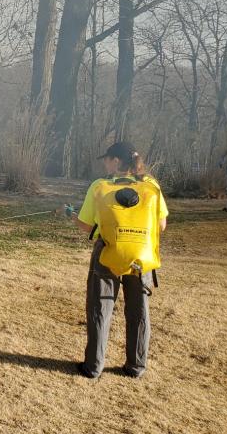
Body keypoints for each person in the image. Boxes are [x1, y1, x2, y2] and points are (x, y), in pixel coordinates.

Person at [72, 142, 168, 379]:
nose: (104, 163)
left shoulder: (100, 186)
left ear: (116, 161)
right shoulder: (151, 186)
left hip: (108, 255)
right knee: (139, 311)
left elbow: (86, 225)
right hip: (141, 258)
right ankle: (136, 366)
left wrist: (72, 216)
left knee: (100, 308)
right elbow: (161, 225)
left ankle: (93, 366)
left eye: (107, 159)